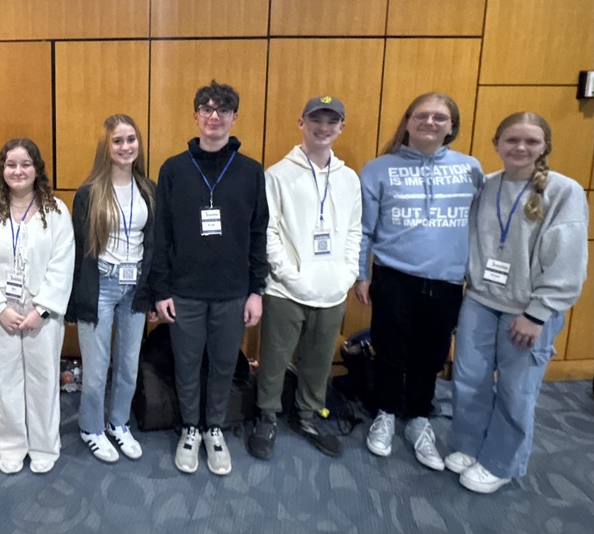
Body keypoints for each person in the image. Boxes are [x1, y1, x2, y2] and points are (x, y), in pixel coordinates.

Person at [445, 112, 588, 494]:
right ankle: (470, 444)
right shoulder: (487, 186)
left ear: (545, 147)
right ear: (496, 144)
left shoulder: (563, 192)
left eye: (531, 142)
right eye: (512, 140)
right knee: (470, 378)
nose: (520, 148)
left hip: (528, 309)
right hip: (479, 299)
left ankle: (500, 462)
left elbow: (568, 260)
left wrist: (537, 313)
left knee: (516, 388)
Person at [356, 92, 483, 470]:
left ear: (452, 127)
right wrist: (362, 274)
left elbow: (480, 229)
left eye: (439, 118)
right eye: (422, 116)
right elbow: (364, 229)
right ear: (408, 121)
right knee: (389, 349)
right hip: (395, 276)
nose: (430, 123)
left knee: (431, 354)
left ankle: (419, 419)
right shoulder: (378, 168)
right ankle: (385, 413)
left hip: (447, 281)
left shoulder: (471, 169)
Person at [149, 80, 269, 476]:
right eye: (206, 108)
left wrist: (256, 291)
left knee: (221, 365)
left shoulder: (251, 172)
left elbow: (257, 234)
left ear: (235, 117)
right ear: (195, 116)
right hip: (184, 291)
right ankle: (190, 429)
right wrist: (161, 289)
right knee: (185, 364)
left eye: (222, 110)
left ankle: (213, 428)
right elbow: (161, 236)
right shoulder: (173, 169)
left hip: (233, 293)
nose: (214, 116)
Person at [247, 96, 362, 461]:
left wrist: (347, 274)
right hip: (286, 290)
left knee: (318, 359)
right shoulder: (278, 175)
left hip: (332, 289)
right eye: (317, 119)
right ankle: (266, 417)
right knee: (275, 359)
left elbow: (354, 231)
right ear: (301, 122)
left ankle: (308, 416)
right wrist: (292, 277)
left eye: (332, 121)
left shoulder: (348, 179)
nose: (323, 127)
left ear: (341, 127)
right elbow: (268, 233)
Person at [0, 138, 74, 475]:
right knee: (6, 382)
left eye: (26, 164)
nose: (18, 171)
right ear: (2, 170)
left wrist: (42, 310)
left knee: (43, 380)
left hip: (42, 314)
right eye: (11, 164)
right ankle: (12, 446)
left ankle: (43, 445)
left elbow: (63, 262)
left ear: (37, 169)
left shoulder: (55, 209)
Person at [66, 114, 155, 463]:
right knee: (97, 367)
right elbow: (77, 250)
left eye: (131, 139)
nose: (125, 147)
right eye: (117, 141)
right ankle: (91, 427)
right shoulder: (89, 193)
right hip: (100, 285)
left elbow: (154, 243)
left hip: (135, 287)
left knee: (129, 365)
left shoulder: (148, 189)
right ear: (106, 147)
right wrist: (75, 304)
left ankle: (119, 423)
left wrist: (150, 290)